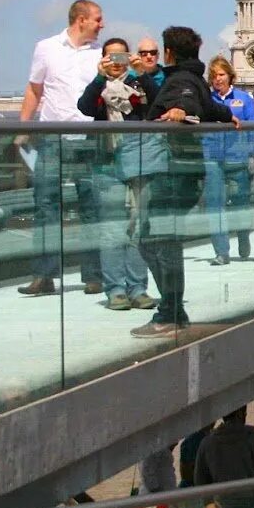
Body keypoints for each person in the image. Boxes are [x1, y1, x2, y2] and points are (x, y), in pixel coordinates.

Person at [128, 26, 237, 338]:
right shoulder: (196, 79)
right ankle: (174, 310)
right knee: (162, 240)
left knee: (154, 241)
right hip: (186, 171)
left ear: (169, 53)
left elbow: (186, 102)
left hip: (174, 170)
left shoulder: (182, 80)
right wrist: (228, 115)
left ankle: (171, 311)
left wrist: (178, 111)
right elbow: (211, 107)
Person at [17, 0, 105, 297]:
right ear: (80, 19)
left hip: (89, 137)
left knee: (92, 208)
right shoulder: (46, 48)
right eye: (97, 19)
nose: (101, 24)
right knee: (45, 207)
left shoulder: (100, 55)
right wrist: (24, 127)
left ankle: (94, 275)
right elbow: (34, 88)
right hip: (52, 137)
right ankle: (44, 275)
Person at [76, 37, 156, 312]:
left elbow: (156, 103)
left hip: (137, 163)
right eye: (111, 58)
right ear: (102, 60)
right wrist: (99, 78)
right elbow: (84, 107)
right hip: (107, 164)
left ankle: (138, 288)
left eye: (121, 57)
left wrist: (141, 75)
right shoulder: (99, 88)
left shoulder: (138, 84)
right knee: (111, 230)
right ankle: (116, 289)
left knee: (137, 228)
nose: (116, 63)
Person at [202, 56, 254, 266]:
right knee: (214, 205)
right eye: (213, 75)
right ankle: (221, 252)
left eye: (221, 74)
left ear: (230, 76)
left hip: (238, 158)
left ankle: (243, 235)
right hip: (212, 158)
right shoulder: (207, 101)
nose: (217, 79)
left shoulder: (244, 99)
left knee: (241, 204)